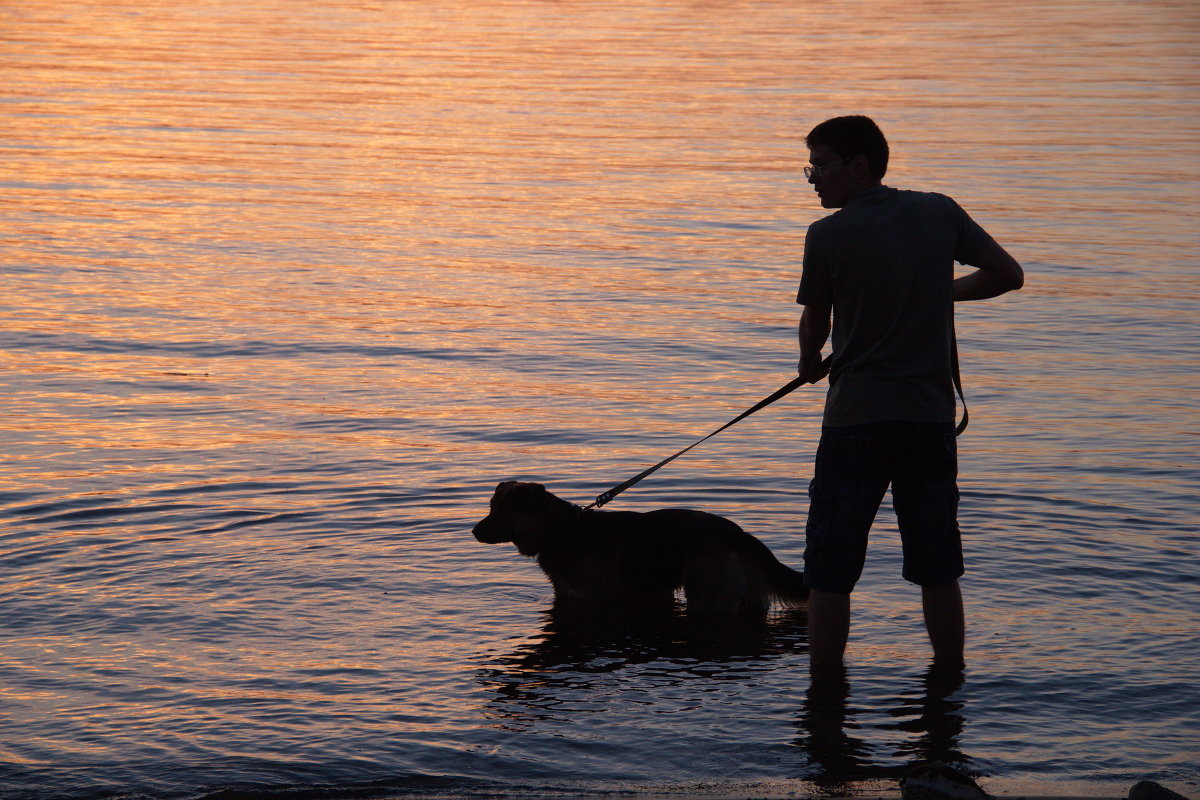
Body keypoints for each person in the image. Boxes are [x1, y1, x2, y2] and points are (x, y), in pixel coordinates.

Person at [795, 115, 1023, 668]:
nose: (812, 178)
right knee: (937, 565)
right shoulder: (937, 210)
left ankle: (825, 692)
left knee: (830, 570)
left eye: (821, 165)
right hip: (927, 423)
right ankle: (949, 683)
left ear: (859, 165)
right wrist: (937, 293)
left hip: (855, 423)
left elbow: (815, 322)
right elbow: (1007, 275)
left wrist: (808, 364)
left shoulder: (826, 235)